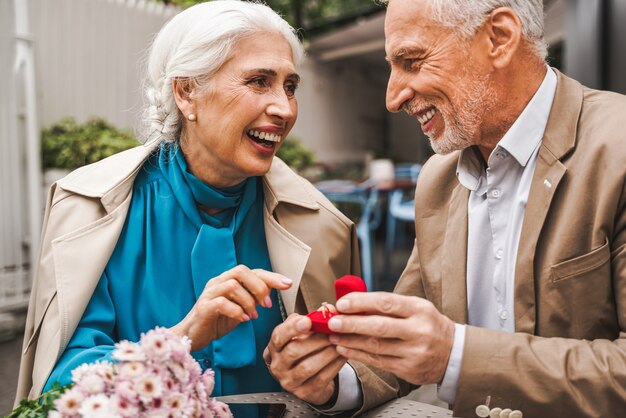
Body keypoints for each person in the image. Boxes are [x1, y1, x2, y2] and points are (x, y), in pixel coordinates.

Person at [267, 0, 626, 417]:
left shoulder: (616, 147)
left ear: (500, 38)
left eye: (412, 61)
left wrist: (454, 355)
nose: (392, 97)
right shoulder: (438, 179)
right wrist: (330, 380)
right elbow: (404, 345)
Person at [15, 1, 362, 414]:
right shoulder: (95, 210)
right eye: (258, 81)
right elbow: (60, 389)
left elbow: (360, 373)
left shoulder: (323, 225)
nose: (285, 109)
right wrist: (182, 337)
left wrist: (322, 383)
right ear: (186, 92)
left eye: (290, 86)